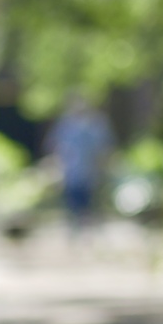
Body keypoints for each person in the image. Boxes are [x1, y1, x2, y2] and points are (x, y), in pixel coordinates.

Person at [47, 95, 113, 226]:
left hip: (91, 173)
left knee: (90, 205)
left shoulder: (96, 125)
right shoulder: (65, 125)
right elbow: (55, 147)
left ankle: (88, 232)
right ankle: (76, 231)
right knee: (73, 204)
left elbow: (104, 148)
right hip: (71, 173)